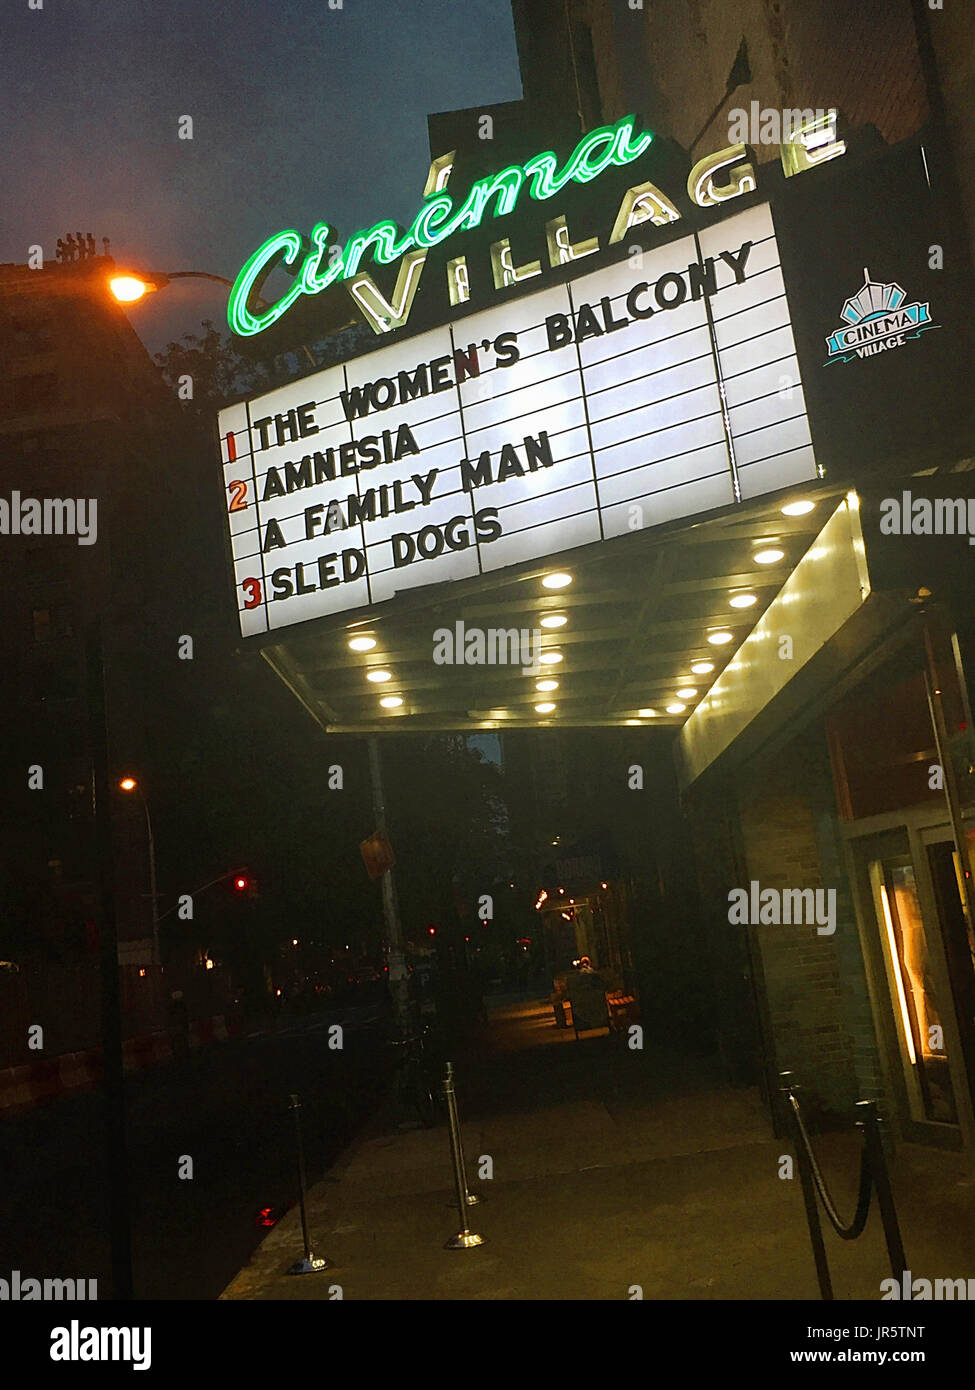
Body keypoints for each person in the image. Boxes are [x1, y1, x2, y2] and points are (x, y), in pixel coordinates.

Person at [564, 957, 609, 1033]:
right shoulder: (594, 975)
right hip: (597, 1005)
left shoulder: (576, 978)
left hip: (582, 1007)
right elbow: (603, 985)